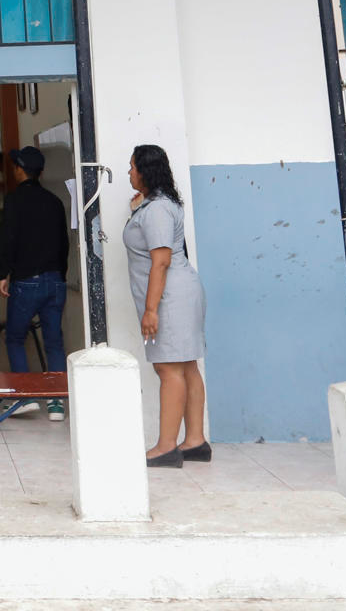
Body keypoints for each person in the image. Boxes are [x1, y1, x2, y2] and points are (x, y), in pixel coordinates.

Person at [124, 144, 207, 468]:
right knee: (185, 366)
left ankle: (166, 447)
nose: (129, 172)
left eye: (132, 167)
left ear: (144, 171)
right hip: (179, 293)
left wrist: (151, 309)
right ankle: (195, 441)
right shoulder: (157, 205)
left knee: (169, 368)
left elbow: (160, 261)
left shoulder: (157, 210)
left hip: (171, 297)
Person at [0, 145, 71, 420]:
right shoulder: (54, 201)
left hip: (26, 282)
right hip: (55, 281)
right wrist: (60, 275)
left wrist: (3, 274)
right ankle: (56, 404)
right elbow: (64, 243)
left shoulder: (14, 200)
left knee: (16, 337)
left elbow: (9, 240)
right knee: (54, 342)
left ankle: (24, 398)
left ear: (20, 169)